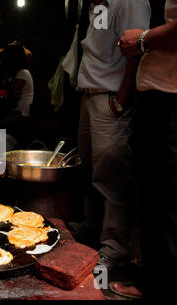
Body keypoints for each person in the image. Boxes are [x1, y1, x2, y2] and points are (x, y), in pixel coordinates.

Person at [67, 0, 151, 271]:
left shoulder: (129, 1)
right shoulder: (97, 4)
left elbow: (137, 52)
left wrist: (121, 99)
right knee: (90, 168)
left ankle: (115, 247)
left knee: (110, 175)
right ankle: (92, 228)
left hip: (109, 98)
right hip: (89, 95)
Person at [108, 0, 177, 300]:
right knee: (156, 199)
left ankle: (160, 287)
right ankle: (153, 280)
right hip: (158, 98)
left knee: (165, 201)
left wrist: (141, 39)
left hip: (170, 100)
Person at [0, 41, 34, 147]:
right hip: (16, 112)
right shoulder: (15, 72)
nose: (6, 59)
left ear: (13, 58)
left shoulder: (23, 73)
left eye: (8, 56)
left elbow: (12, 98)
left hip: (21, 114)